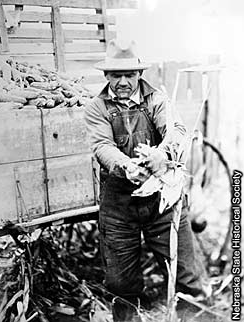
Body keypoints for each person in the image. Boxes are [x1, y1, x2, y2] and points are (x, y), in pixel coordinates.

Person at [84, 39, 204, 321]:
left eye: (129, 75)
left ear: (139, 74)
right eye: (116, 76)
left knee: (187, 274)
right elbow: (102, 145)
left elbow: (175, 129)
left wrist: (162, 155)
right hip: (119, 205)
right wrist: (126, 166)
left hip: (161, 198)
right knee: (121, 285)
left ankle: (195, 316)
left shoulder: (157, 100)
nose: (123, 82)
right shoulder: (96, 107)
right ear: (107, 76)